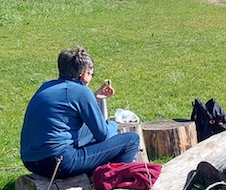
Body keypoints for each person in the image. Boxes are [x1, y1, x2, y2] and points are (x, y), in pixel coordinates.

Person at [20, 46, 140, 179]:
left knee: (90, 130)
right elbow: (104, 135)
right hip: (58, 162)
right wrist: (113, 124)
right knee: (131, 139)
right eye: (92, 74)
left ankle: (91, 175)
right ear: (84, 75)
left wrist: (93, 98)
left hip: (30, 160)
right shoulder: (82, 91)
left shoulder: (46, 86)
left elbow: (69, 106)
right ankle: (111, 184)